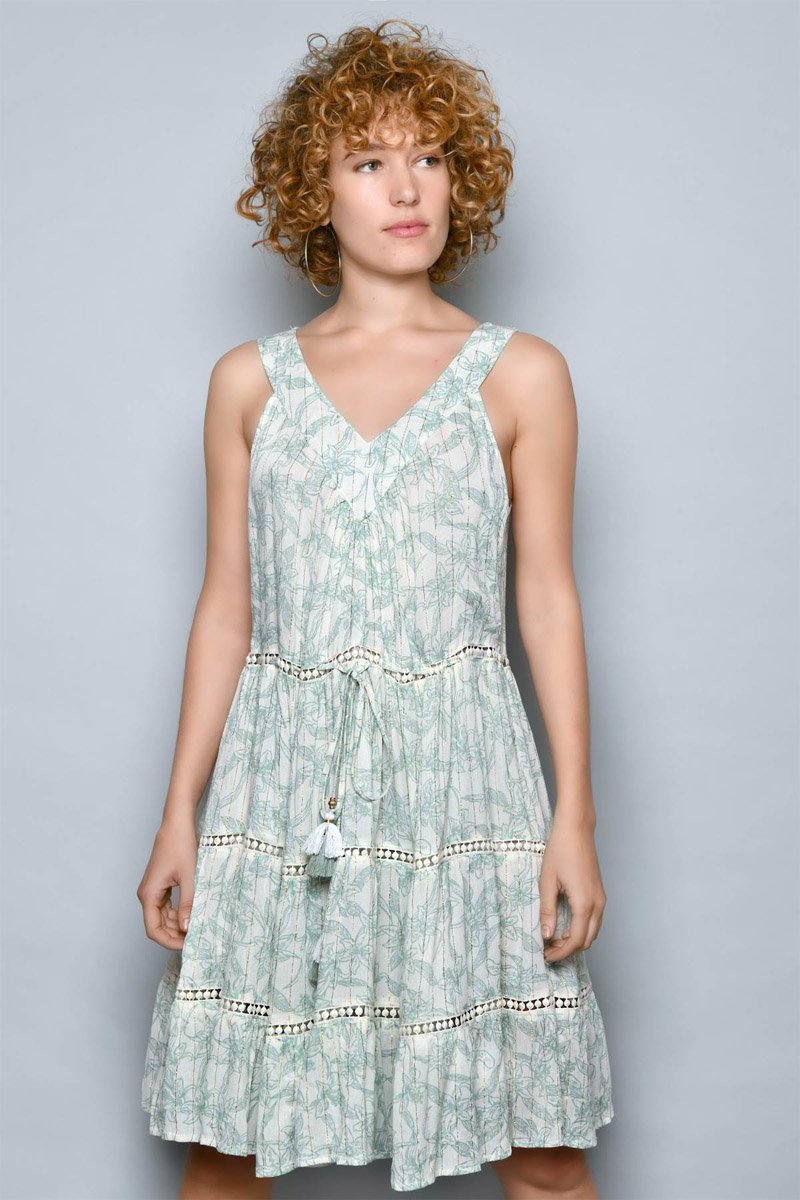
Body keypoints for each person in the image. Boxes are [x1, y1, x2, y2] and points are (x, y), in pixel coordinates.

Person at [137, 17, 614, 1200]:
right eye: (368, 161)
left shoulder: (522, 374)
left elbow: (546, 601)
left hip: (468, 785)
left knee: (541, 1153)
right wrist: (179, 814)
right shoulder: (248, 384)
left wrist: (574, 816)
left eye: (429, 157)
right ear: (318, 190)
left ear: (462, 177)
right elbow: (225, 610)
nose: (406, 189)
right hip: (282, 783)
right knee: (227, 1151)